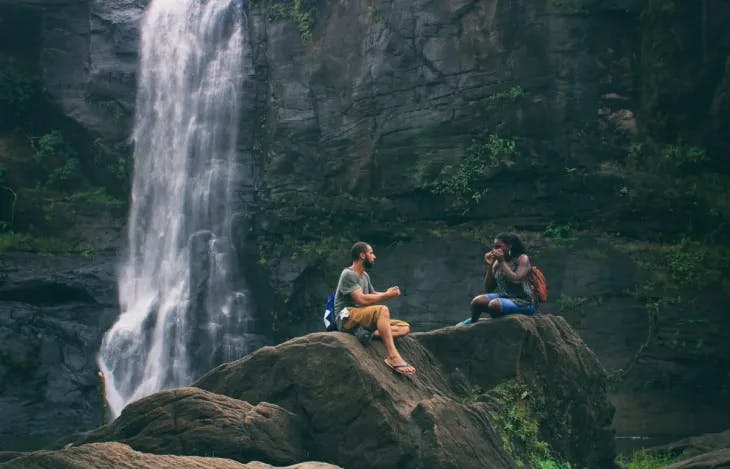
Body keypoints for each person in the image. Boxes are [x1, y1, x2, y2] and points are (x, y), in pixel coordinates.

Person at [334, 242, 415, 375]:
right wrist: (387, 295)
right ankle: (393, 357)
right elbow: (361, 299)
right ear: (362, 255)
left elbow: (372, 294)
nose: (374, 256)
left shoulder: (364, 275)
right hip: (346, 317)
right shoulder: (348, 274)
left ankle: (367, 333)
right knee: (382, 310)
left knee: (404, 327)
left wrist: (387, 293)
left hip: (361, 316)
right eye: (371, 253)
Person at [458, 232, 536, 325]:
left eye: (499, 247)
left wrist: (502, 261)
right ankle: (474, 322)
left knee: (494, 305)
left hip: (524, 302)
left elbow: (516, 279)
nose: (495, 250)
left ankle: (492, 323)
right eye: (494, 247)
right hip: (505, 297)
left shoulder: (522, 258)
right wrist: (490, 265)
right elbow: (488, 288)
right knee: (477, 302)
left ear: (509, 246)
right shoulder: (497, 263)